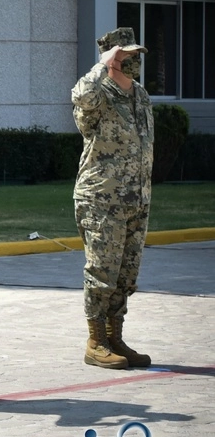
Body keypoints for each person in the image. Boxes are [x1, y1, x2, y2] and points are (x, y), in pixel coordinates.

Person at [71, 27, 154, 369]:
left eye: (136, 54)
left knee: (126, 273)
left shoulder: (140, 95)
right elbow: (80, 97)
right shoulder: (98, 93)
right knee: (102, 272)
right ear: (112, 58)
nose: (135, 60)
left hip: (136, 198)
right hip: (101, 198)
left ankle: (114, 336)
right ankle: (96, 341)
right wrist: (100, 66)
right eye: (127, 55)